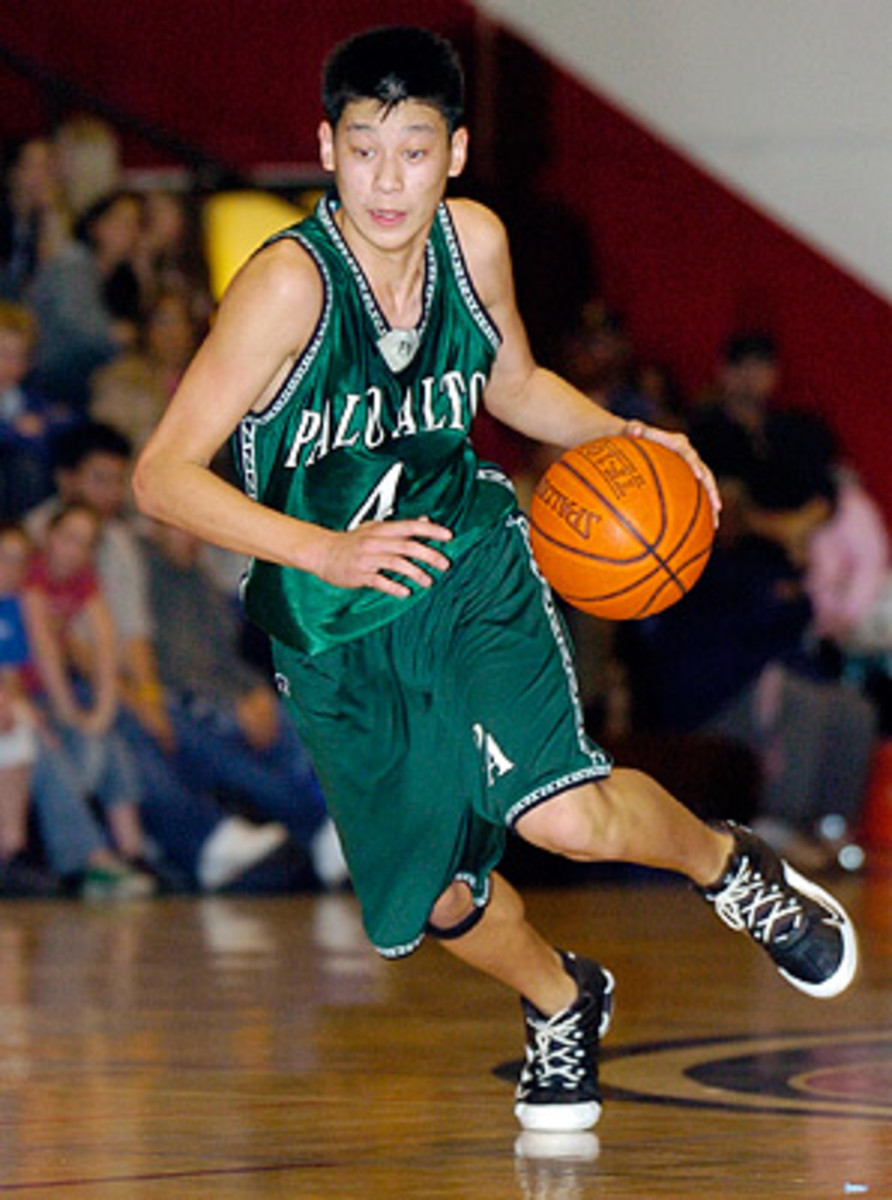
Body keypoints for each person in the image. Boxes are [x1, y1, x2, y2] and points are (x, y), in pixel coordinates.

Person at [133, 26, 859, 1134]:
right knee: (434, 899)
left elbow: (510, 384)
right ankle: (563, 1000)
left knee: (564, 816)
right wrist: (321, 550)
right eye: (364, 150)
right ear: (326, 149)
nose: (388, 181)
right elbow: (161, 475)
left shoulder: (473, 244)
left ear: (456, 153)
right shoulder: (286, 288)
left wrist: (623, 436)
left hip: (465, 560)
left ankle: (731, 869)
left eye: (414, 151)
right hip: (330, 623)